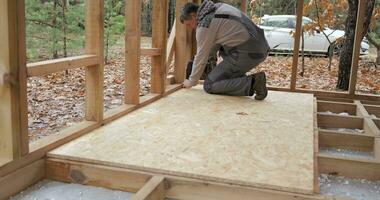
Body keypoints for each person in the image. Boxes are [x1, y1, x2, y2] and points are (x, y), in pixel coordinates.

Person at [180, 0, 270, 100]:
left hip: (249, 51)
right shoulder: (217, 7)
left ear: (193, 16)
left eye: (188, 24)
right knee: (221, 66)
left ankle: (254, 83)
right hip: (259, 46)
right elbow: (214, 45)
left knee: (210, 84)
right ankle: (246, 81)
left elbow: (201, 55)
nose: (191, 28)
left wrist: (192, 80)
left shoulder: (205, 24)